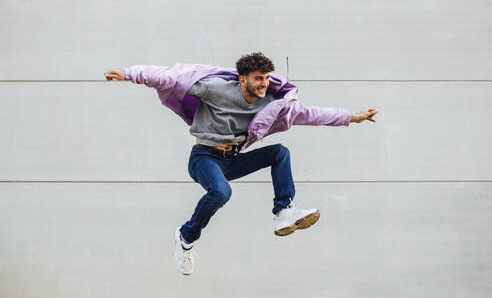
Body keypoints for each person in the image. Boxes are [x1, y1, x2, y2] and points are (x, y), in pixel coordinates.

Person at [104, 52, 377, 275]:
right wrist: (129, 74)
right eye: (258, 79)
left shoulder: (270, 102)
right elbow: (169, 79)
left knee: (279, 152)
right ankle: (186, 238)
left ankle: (283, 210)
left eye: (267, 79)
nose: (264, 84)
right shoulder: (215, 89)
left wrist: (351, 117)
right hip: (204, 158)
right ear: (242, 78)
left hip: (232, 159)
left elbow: (308, 113)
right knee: (222, 192)